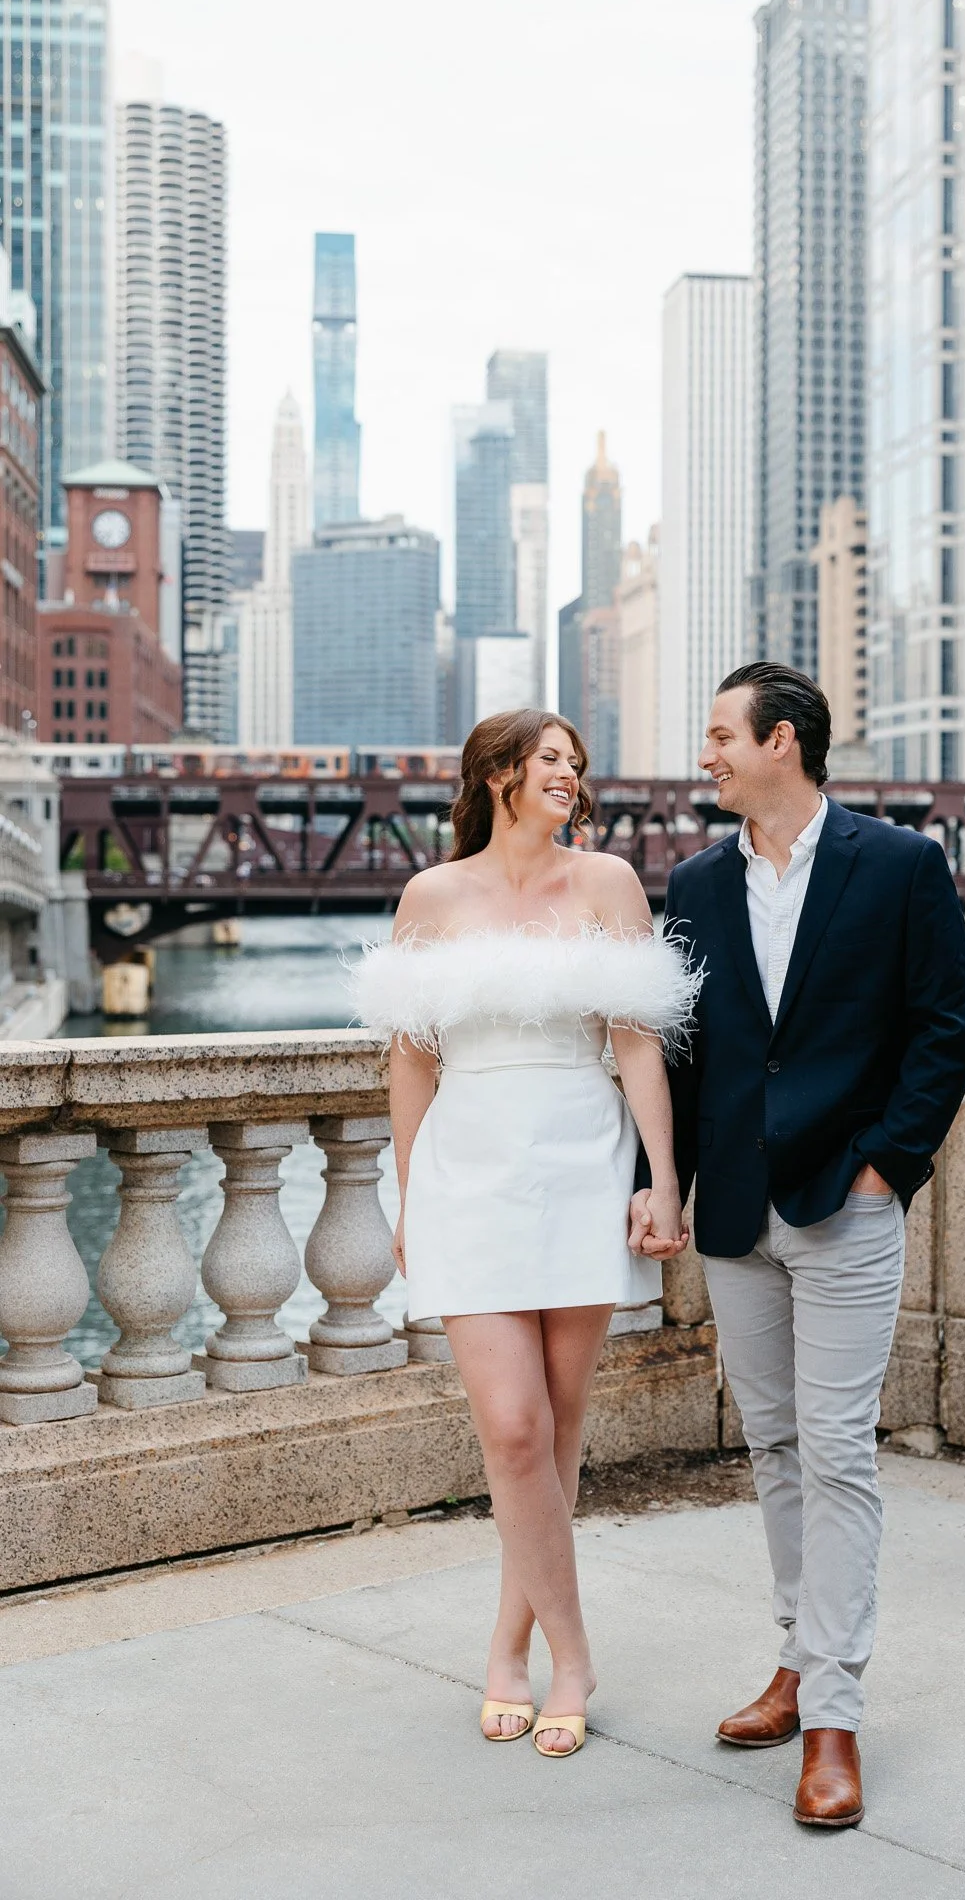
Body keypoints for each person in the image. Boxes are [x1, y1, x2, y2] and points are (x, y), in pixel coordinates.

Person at [631, 663, 965, 1827]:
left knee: (837, 1450)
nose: (708, 756)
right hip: (732, 1211)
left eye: (722, 734)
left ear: (782, 741)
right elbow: (679, 1052)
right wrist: (660, 1185)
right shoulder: (693, 881)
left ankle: (833, 1712)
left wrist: (888, 1163)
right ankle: (797, 1656)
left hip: (847, 1200)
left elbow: (945, 1023)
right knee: (775, 1446)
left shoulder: (900, 865)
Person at [352, 709, 697, 1759]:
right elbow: (412, 1060)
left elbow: (639, 1046)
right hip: (468, 1167)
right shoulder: (431, 896)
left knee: (556, 1424)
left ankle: (511, 1649)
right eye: (550, 757)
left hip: (580, 1159)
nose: (570, 774)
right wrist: (410, 1195)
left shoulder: (610, 885)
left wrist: (662, 1180)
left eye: (576, 763)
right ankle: (575, 1654)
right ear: (497, 771)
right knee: (510, 1427)